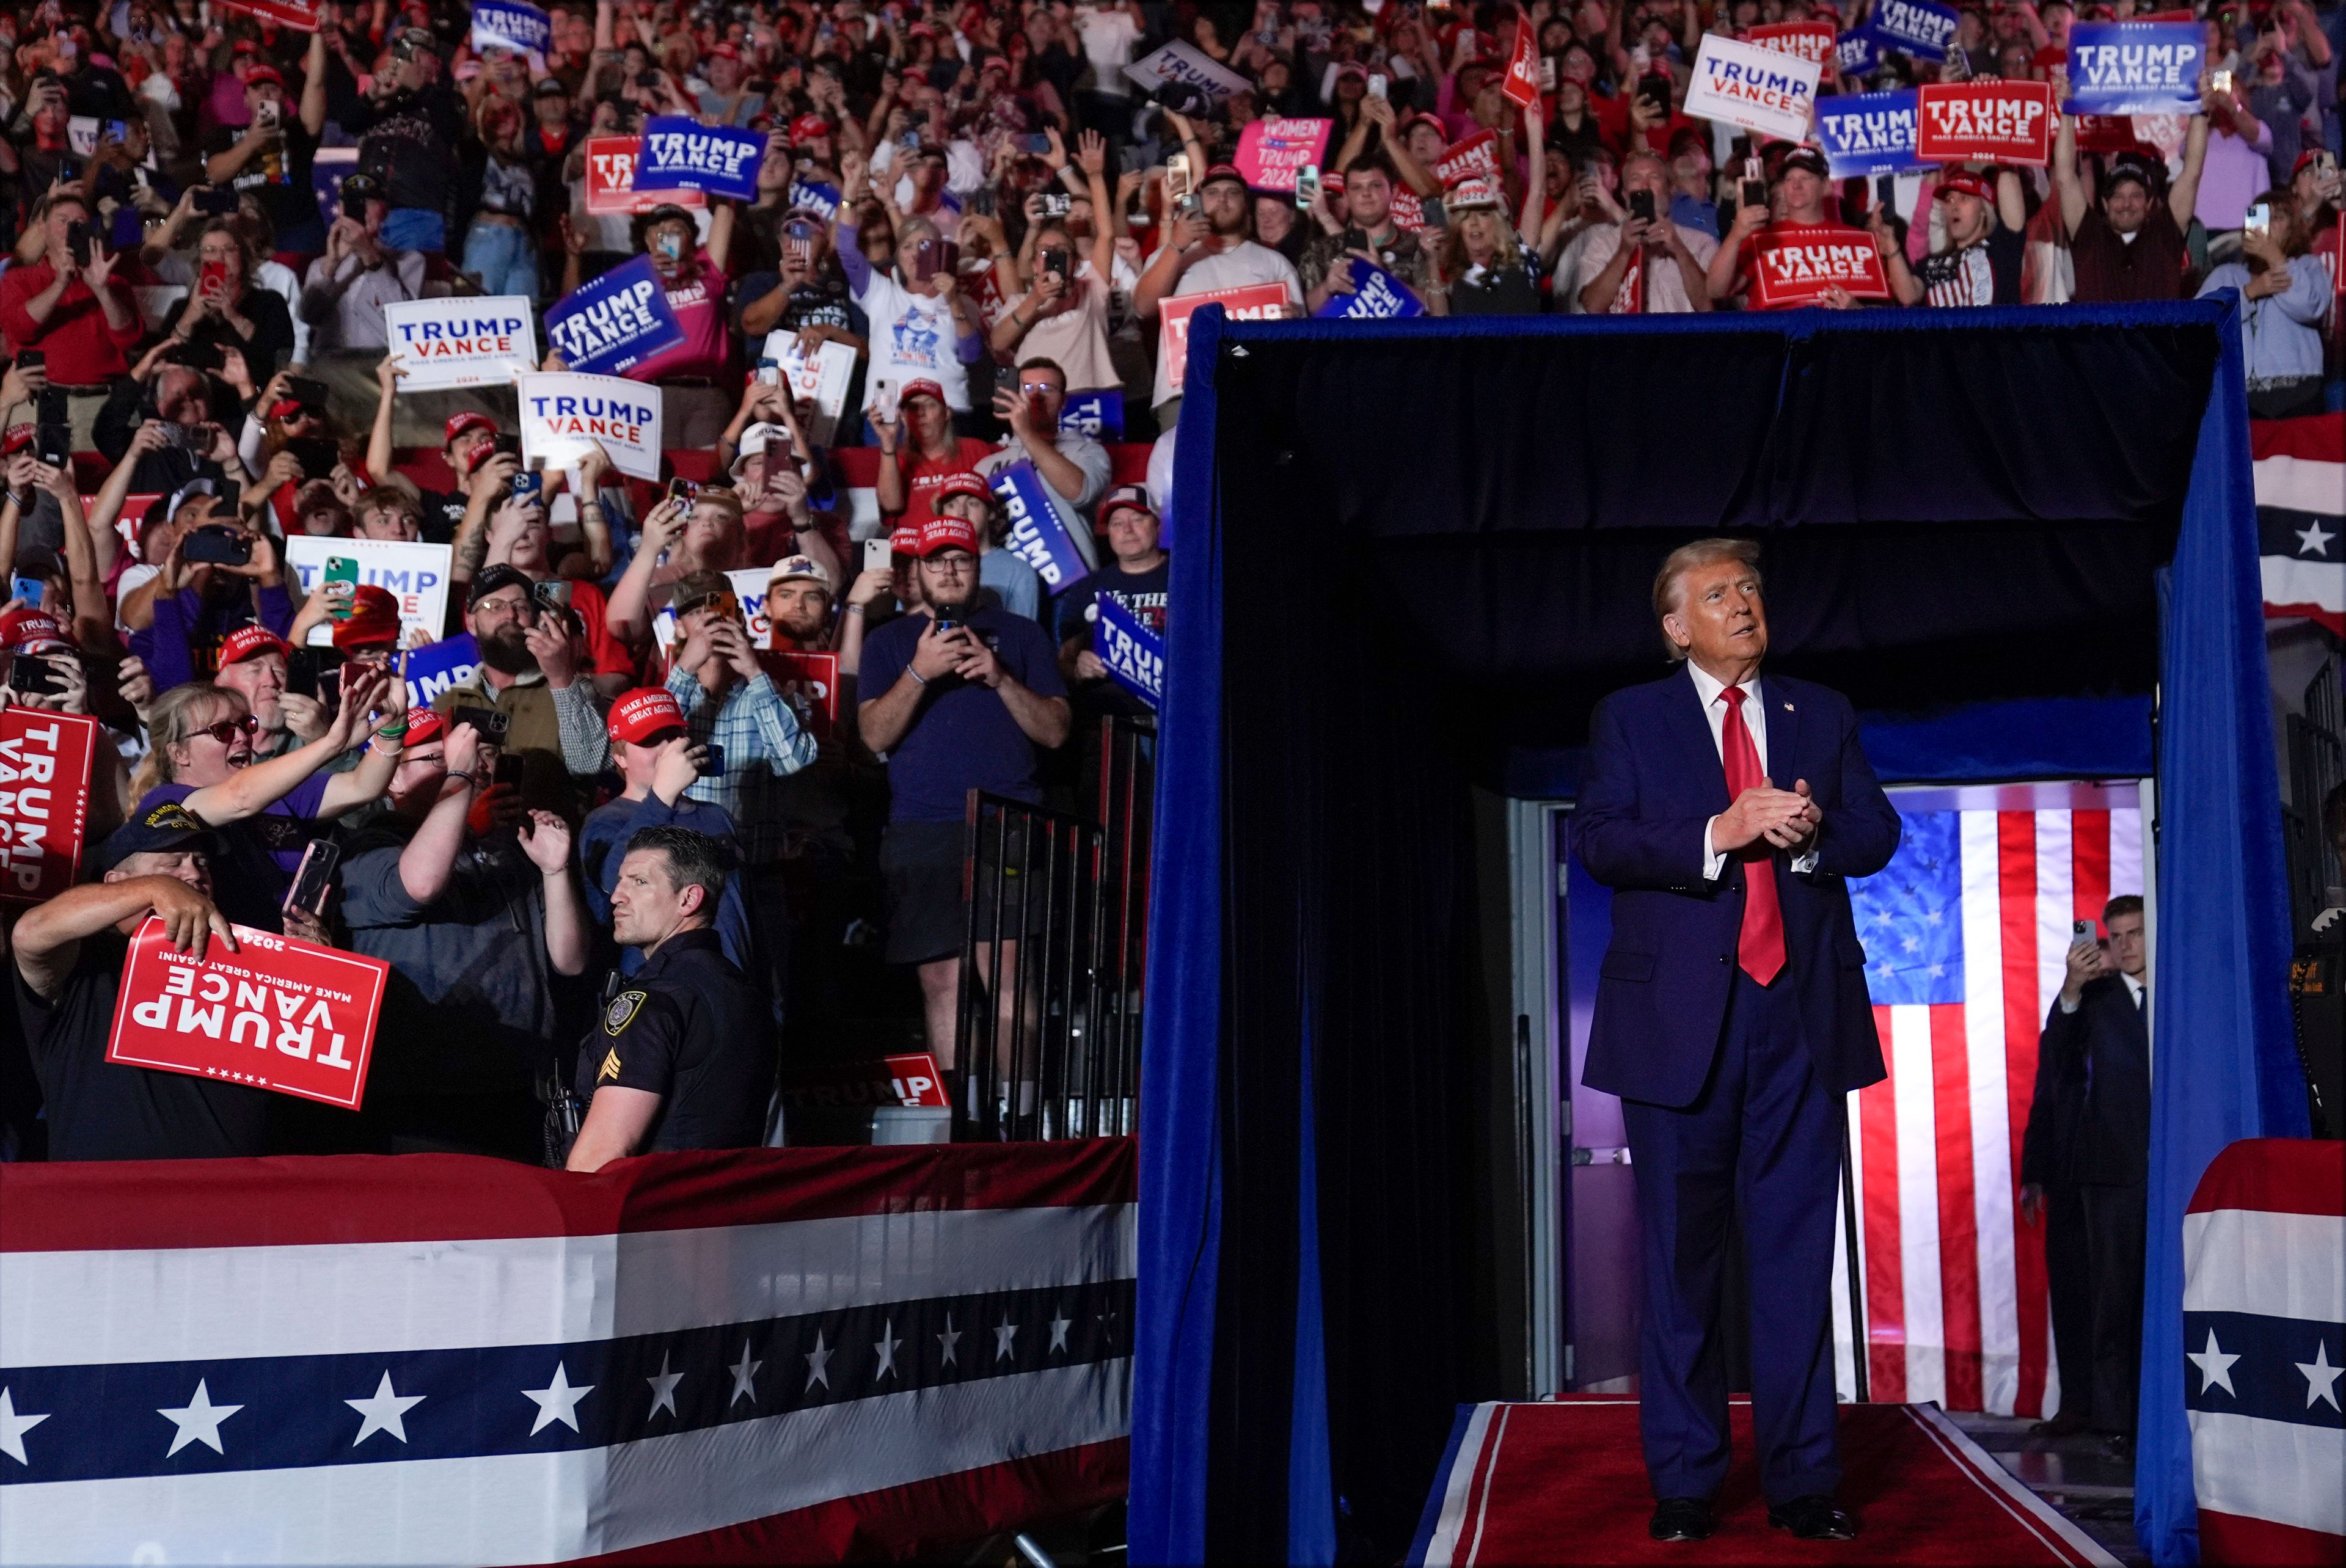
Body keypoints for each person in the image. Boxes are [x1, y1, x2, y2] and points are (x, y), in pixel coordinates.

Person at [1576, 538, 1901, 1545]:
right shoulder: (1629, 717)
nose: (1744, 603)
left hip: (1798, 1023)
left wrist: (1812, 841)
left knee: (1798, 1260)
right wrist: (1718, 833)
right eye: (1717, 593)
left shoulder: (1822, 711)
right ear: (1676, 626)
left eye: (1751, 587)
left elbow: (1876, 832)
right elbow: (1602, 840)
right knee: (1680, 1269)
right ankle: (1686, 1480)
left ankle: (1805, 1481)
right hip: (1681, 1032)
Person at [858, 514, 1070, 1070]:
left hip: (1008, 823)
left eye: (962, 559)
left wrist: (1000, 677)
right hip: (922, 829)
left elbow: (1055, 730)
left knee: (1006, 973)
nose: (950, 570)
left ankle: (1018, 1123)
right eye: (937, 560)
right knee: (942, 981)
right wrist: (921, 672)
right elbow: (873, 735)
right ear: (918, 572)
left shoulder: (1021, 634)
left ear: (979, 566)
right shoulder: (889, 642)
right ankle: (963, 1133)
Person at [338, 708, 590, 1161]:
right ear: (392, 779)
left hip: (516, 1085)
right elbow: (420, 883)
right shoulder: (373, 842)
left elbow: (569, 960)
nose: (469, 766)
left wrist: (555, 871)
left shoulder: (505, 844)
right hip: (423, 1099)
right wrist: (459, 784)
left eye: (471, 756)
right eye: (437, 757)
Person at [8, 801, 269, 1161]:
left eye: (202, 863)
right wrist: (155, 890)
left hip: (229, 1196)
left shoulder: (245, 959)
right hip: (110, 1200)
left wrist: (317, 967)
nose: (194, 874)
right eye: (171, 863)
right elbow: (31, 933)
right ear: (119, 881)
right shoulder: (88, 962)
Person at [2020, 897, 2151, 1457]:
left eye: (2134, 933)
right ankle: (2112, 1416)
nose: (2123, 944)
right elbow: (2053, 1074)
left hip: (2173, 1168)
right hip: (2106, 1170)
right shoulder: (2095, 998)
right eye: (2114, 935)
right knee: (2109, 1300)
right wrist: (2071, 989)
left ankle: (2153, 1410)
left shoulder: (2182, 987)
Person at [565, 825, 775, 1170]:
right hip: (728, 1210)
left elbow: (600, 1156)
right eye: (620, 881)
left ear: (688, 899)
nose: (617, 895)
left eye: (639, 882)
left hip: (650, 1215)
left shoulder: (653, 1000)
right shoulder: (744, 992)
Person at [581, 687, 756, 979]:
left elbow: (743, 913)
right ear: (620, 758)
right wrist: (662, 794)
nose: (667, 749)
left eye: (673, 735)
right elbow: (613, 886)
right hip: (661, 993)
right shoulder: (605, 822)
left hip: (732, 984)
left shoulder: (716, 815)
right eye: (650, 741)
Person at [430, 566, 611, 818]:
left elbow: (589, 765)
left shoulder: (570, 687)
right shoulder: (447, 702)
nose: (511, 615)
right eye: (495, 606)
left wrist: (560, 677)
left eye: (522, 606)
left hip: (553, 838)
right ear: (471, 622)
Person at [1133, 161, 1304, 421]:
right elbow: (1142, 307)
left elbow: (1301, 334)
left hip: (1257, 389)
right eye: (1212, 193)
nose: (1223, 200)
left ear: (1246, 204)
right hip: (1184, 392)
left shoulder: (1275, 263)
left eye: (1232, 193)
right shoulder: (1170, 255)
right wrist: (1177, 246)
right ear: (1199, 201)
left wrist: (1294, 323)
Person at [2194, 191, 2334, 418]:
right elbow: (2199, 324)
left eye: (2278, 217)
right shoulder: (2227, 275)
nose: (2268, 224)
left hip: (2300, 393)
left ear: (2293, 227)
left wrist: (2275, 258)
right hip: (2239, 398)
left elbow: (2309, 308)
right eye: (2261, 217)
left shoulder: (2309, 267)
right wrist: (2250, 292)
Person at [2053, 108, 2208, 304]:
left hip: (2154, 335)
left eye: (2135, 195)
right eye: (2118, 196)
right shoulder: (2089, 236)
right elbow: (2066, 176)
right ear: (2105, 203)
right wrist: (2067, 111)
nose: (2126, 204)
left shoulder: (2164, 235)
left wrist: (2200, 108)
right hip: (2100, 335)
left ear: (2149, 202)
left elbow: (2192, 172)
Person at [1574, 149, 1717, 315]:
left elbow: (1709, 306)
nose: (1645, 186)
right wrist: (1624, 251)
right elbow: (1592, 307)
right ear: (1625, 195)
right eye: (1636, 179)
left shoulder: (1701, 243)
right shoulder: (1602, 245)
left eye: (1654, 177)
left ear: (1670, 189)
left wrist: (1679, 249)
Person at [1896, 169, 2030, 308]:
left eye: (1964, 199)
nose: (1955, 207)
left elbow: (2009, 177)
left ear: (1984, 210)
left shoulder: (2001, 247)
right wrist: (1891, 248)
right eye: (1950, 200)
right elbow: (1908, 296)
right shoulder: (1930, 264)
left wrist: (2005, 159)